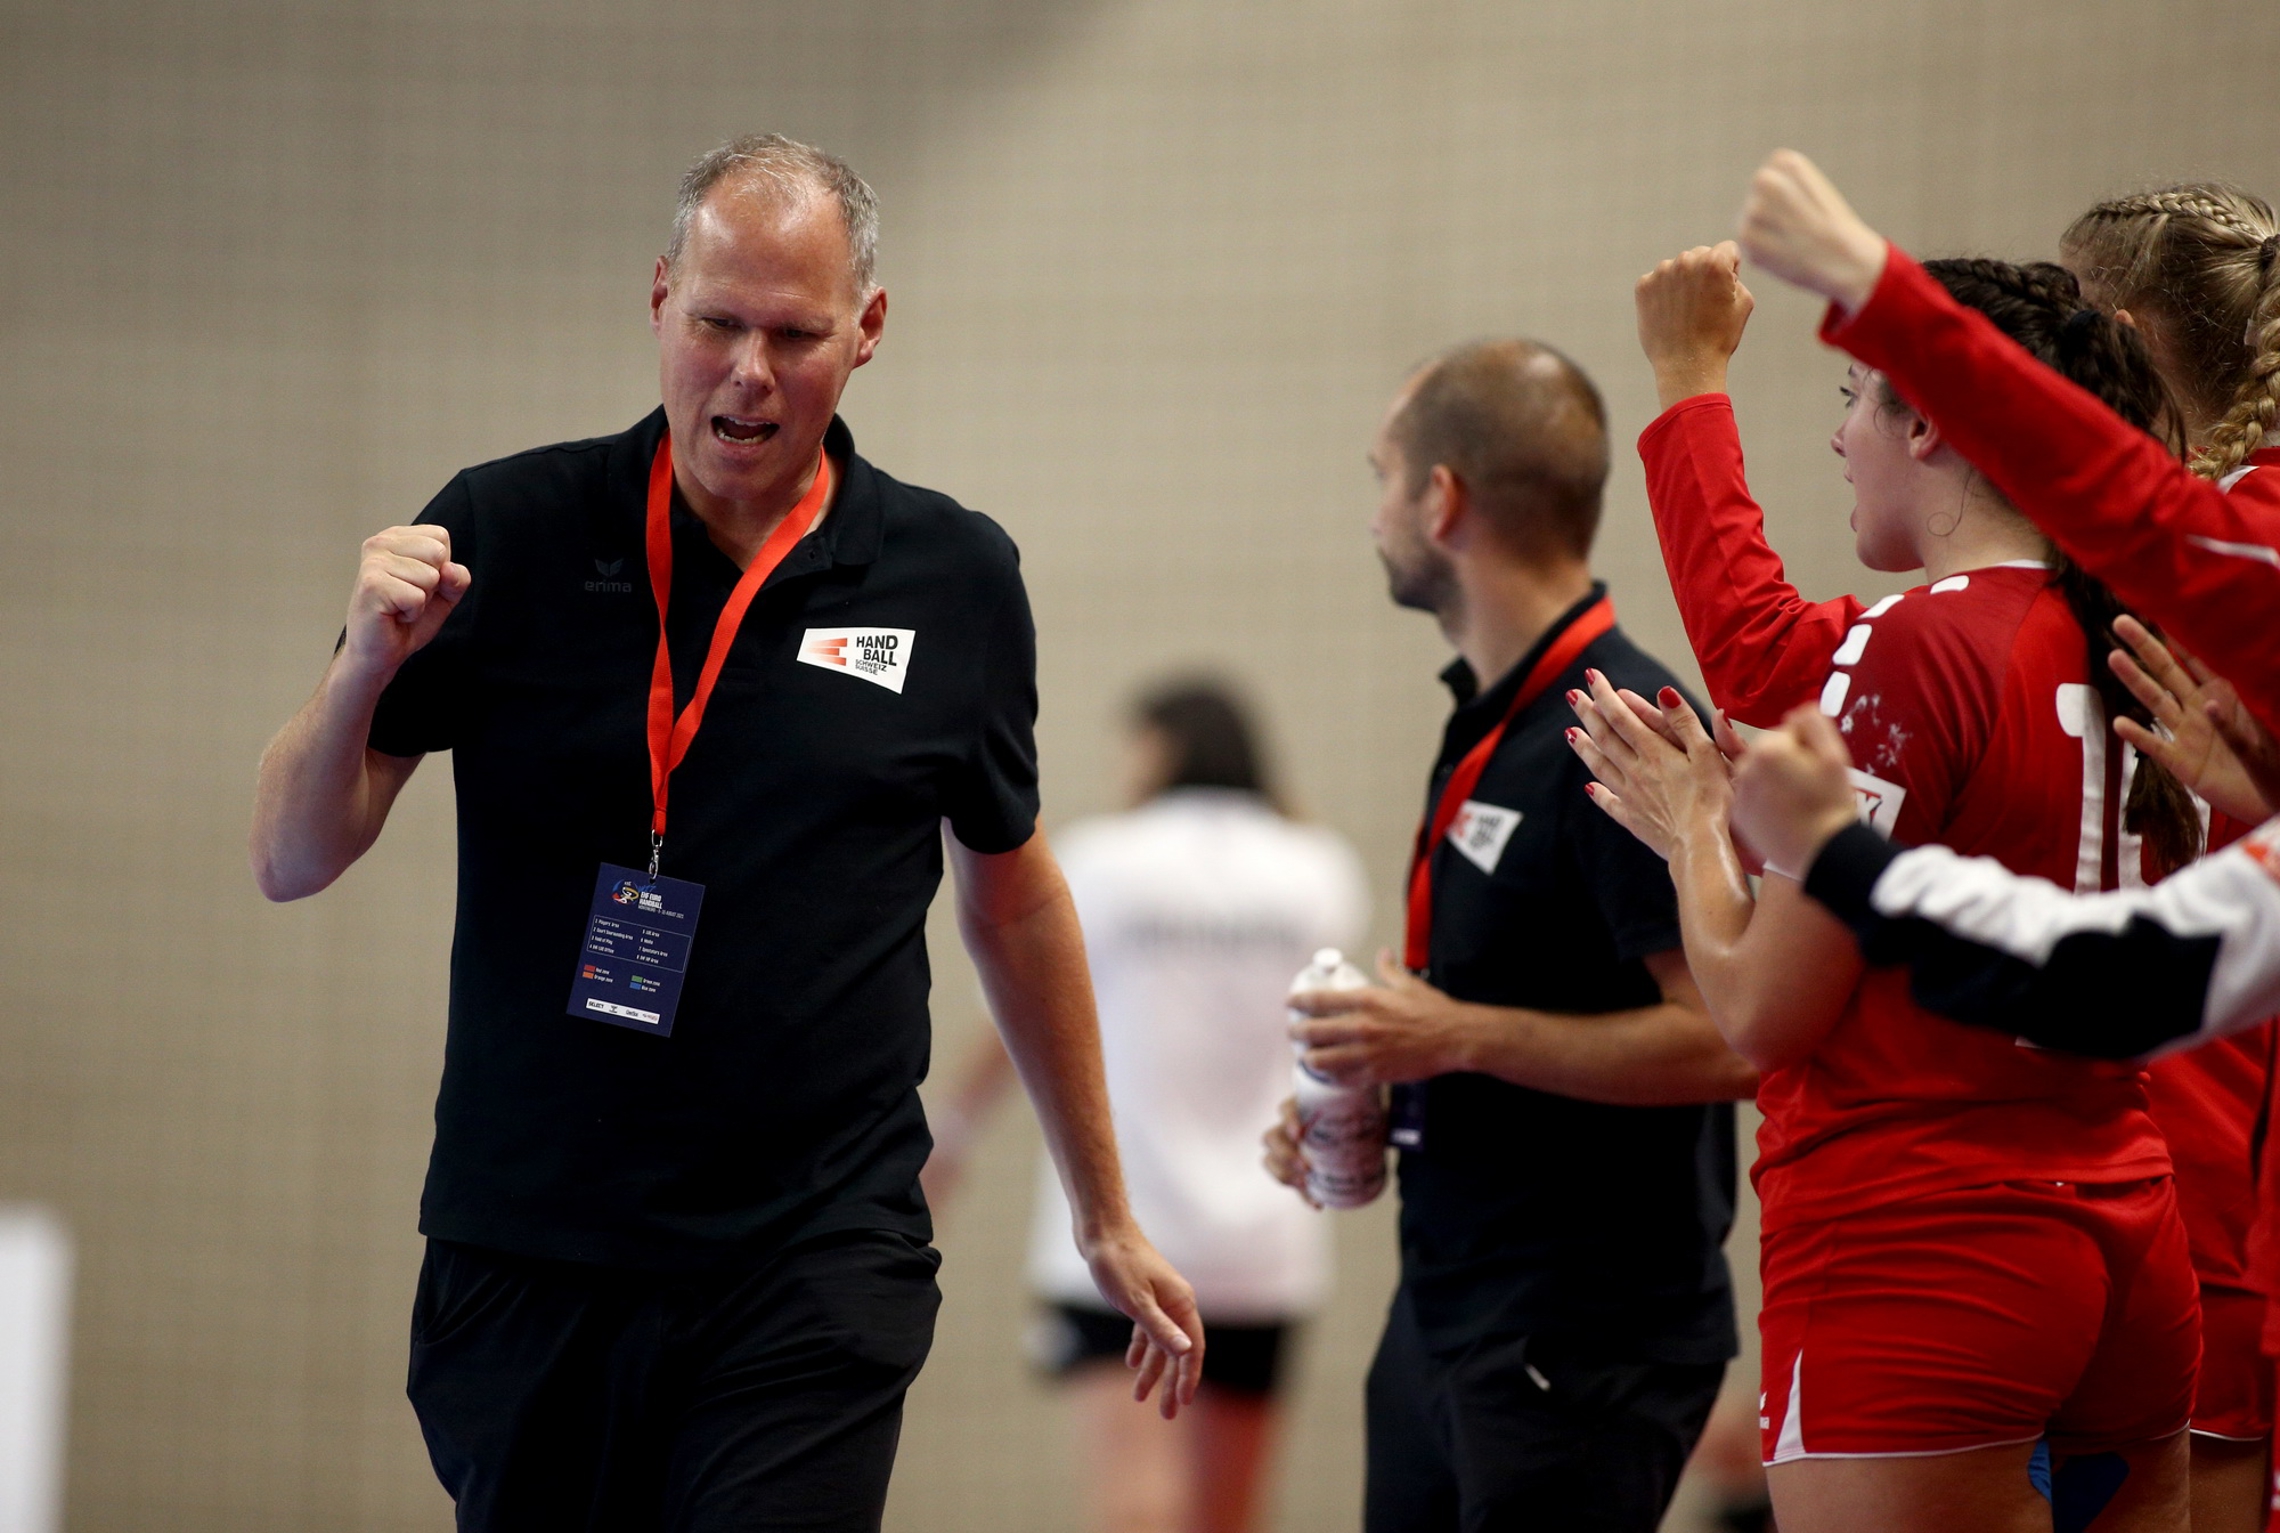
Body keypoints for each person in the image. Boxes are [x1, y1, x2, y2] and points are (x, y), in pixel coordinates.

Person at [246, 133, 1200, 1533]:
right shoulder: (499, 534)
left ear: (867, 332)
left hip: (812, 1257)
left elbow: (1014, 897)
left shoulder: (953, 579)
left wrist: (1103, 1207)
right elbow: (290, 854)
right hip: (533, 1247)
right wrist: (357, 678)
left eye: (795, 334)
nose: (749, 372)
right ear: (657, 301)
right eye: (717, 322)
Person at [1575, 228, 2206, 1531]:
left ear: (1927, 425)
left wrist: (1691, 824)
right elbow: (1767, 652)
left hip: (1926, 1243)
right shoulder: (2135, 638)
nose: (1840, 436)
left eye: (1852, 399)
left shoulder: (1919, 647)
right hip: (2128, 1234)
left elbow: (1757, 1011)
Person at [1261, 339, 1758, 1533]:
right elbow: (1513, 1010)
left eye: (1383, 474)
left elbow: (1730, 1040)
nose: (1373, 508)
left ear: (1442, 500)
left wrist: (1459, 1034)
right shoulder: (1496, 714)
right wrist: (1387, 1078)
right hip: (1451, 1311)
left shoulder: (1621, 729)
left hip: (1579, 1336)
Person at [924, 678, 1369, 1533]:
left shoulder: (1106, 858)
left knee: (1133, 1499)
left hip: (1125, 1227)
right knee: (1229, 1512)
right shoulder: (1319, 867)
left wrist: (954, 1127)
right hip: (1265, 1237)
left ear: (1158, 747)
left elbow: (1025, 1006)